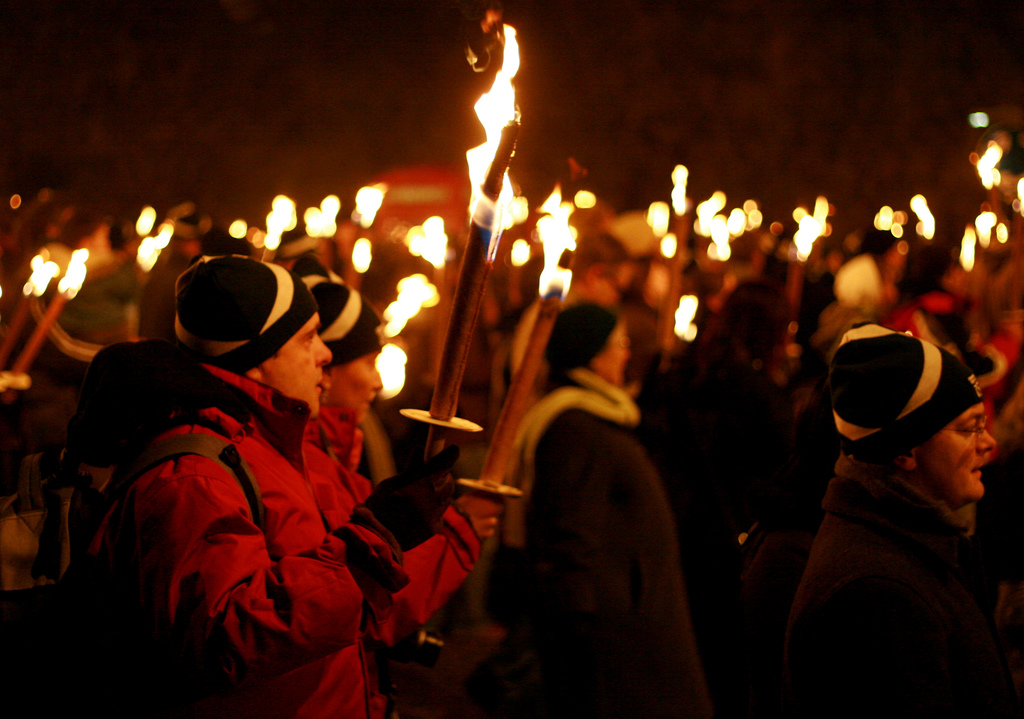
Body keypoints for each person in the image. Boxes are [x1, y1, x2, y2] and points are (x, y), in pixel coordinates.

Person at [78, 255, 458, 718]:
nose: (326, 354)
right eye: (308, 338)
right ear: (258, 359)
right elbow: (227, 639)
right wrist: (376, 543)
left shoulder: (268, 447)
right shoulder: (192, 477)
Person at [297, 259, 501, 718]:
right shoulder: (304, 465)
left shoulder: (345, 443)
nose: (378, 380)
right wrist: (459, 531)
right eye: (369, 361)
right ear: (326, 364)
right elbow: (357, 599)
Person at [784, 323, 1018, 717]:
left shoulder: (913, 542)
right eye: (969, 428)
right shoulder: (878, 593)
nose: (988, 443)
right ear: (905, 450)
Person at [512, 303, 712, 719]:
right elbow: (569, 538)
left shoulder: (595, 418)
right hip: (615, 637)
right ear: (592, 354)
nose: (626, 354)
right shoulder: (574, 427)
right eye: (619, 344)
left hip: (629, 621)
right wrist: (577, 634)